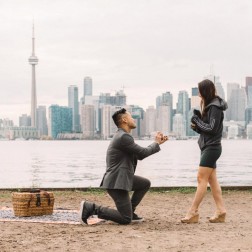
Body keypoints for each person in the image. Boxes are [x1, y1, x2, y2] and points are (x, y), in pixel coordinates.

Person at [80, 108, 168, 225]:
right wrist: (156, 143)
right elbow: (142, 153)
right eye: (131, 117)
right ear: (124, 120)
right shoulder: (123, 137)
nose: (134, 119)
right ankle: (91, 207)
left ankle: (130, 211)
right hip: (116, 182)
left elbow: (139, 155)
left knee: (144, 184)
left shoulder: (122, 136)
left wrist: (156, 144)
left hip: (121, 178)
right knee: (125, 219)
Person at [181, 79, 228, 224]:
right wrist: (197, 126)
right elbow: (207, 129)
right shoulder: (211, 105)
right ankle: (221, 211)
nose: (199, 93)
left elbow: (212, 129)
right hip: (208, 146)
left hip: (212, 148)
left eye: (200, 90)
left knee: (201, 178)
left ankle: (193, 211)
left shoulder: (214, 106)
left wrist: (198, 120)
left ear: (205, 91)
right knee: (212, 180)